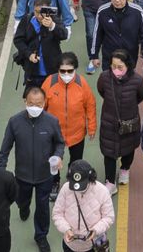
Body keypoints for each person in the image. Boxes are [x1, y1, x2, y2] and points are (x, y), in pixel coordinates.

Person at [0, 87, 65, 252]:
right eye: (31, 103)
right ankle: (23, 207)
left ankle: (41, 236)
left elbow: (60, 143)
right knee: (22, 199)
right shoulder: (15, 122)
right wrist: (1, 169)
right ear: (25, 102)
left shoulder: (52, 121)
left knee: (42, 207)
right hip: (22, 175)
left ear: (44, 103)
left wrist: (58, 155)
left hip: (45, 176)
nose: (35, 106)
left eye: (39, 103)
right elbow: (5, 148)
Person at [42, 52, 97, 200]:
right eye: (63, 71)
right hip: (53, 133)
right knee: (53, 161)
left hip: (76, 132)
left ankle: (72, 180)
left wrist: (91, 127)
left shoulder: (82, 84)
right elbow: (41, 106)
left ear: (75, 69)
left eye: (70, 71)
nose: (66, 74)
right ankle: (55, 182)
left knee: (76, 161)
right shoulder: (49, 82)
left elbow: (90, 106)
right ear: (58, 70)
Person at [97, 48, 143, 194]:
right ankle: (110, 181)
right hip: (109, 121)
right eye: (113, 66)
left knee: (128, 148)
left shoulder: (137, 80)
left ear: (128, 66)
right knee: (109, 152)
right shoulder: (104, 78)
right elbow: (102, 91)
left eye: (120, 67)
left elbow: (141, 95)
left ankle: (125, 168)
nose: (116, 70)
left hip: (129, 121)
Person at [90, 0, 143, 73]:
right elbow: (97, 35)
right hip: (109, 60)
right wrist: (94, 55)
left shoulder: (137, 11)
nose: (116, 0)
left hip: (129, 59)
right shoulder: (102, 11)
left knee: (128, 87)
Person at [52, 159, 115, 252]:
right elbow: (57, 214)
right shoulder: (66, 188)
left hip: (93, 245)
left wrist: (96, 230)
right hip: (70, 245)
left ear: (91, 178)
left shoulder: (102, 191)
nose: (77, 189)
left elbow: (109, 217)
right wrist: (66, 229)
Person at [13, 0, 69, 92]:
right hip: (32, 71)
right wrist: (28, 54)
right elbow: (18, 40)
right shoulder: (26, 20)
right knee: (33, 100)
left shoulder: (55, 20)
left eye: (41, 12)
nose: (39, 15)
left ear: (48, 10)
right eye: (36, 11)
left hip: (52, 72)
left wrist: (52, 26)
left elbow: (64, 34)